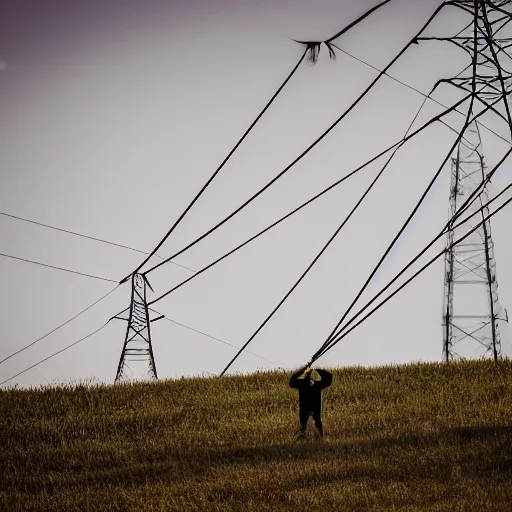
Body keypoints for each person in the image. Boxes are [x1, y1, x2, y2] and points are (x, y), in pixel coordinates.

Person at [289, 365, 332, 438]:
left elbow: (292, 381)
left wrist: (301, 371)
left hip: (306, 407)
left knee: (306, 424)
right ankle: (321, 437)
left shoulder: (302, 383)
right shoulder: (317, 384)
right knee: (314, 423)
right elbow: (329, 377)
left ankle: (316, 437)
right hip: (312, 406)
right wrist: (317, 370)